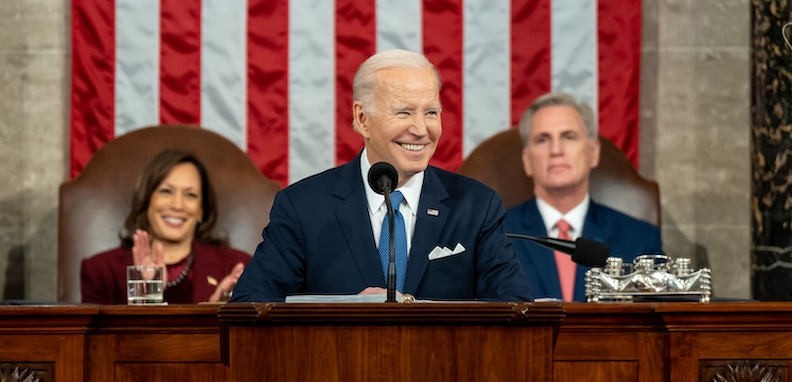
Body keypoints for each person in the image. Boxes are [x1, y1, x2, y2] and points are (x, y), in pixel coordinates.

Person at [231, 49, 533, 302]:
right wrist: (345, 315)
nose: (420, 129)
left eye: (431, 112)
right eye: (403, 112)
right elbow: (250, 307)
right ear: (363, 119)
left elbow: (515, 309)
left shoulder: (476, 207)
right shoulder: (303, 208)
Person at [505, 92, 663, 302]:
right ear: (526, 159)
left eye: (568, 137)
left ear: (593, 152)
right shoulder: (496, 235)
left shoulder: (639, 239)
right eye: (543, 139)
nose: (556, 150)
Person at [81, 150, 251, 304]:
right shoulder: (100, 271)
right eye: (166, 191)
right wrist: (146, 296)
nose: (177, 205)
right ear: (147, 200)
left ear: (202, 209)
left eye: (190, 195)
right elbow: (97, 339)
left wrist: (217, 315)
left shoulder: (237, 266)